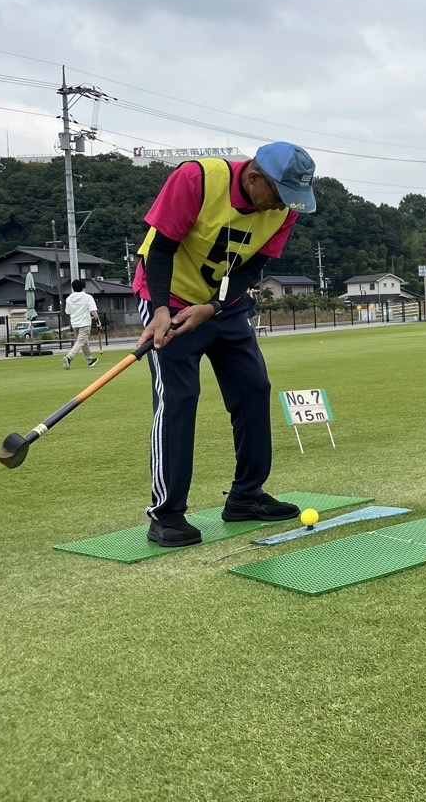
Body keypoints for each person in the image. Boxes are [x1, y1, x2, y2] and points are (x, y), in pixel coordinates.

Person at [132, 143, 317, 547]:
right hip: (169, 299)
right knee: (178, 399)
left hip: (222, 306)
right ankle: (166, 515)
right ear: (253, 178)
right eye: (280, 196)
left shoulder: (283, 210)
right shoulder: (197, 179)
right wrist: (161, 309)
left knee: (253, 388)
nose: (282, 207)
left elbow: (253, 266)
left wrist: (214, 306)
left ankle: (246, 496)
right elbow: (160, 248)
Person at [62, 279, 101, 370]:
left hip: (75, 323)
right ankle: (69, 357)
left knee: (84, 341)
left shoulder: (69, 299)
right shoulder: (88, 297)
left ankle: (89, 359)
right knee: (81, 341)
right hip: (85, 323)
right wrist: (98, 321)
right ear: (84, 287)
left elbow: (68, 311)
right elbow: (93, 310)